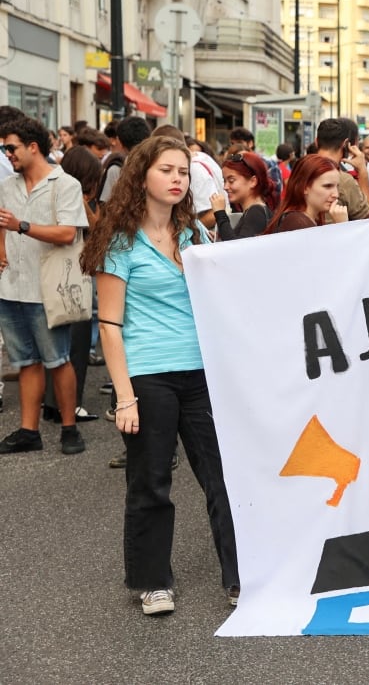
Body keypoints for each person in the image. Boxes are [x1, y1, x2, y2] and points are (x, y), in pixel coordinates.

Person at [79, 135, 239, 615]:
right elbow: (109, 325)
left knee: (224, 477)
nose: (177, 179)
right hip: (149, 375)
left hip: (201, 372)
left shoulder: (193, 234)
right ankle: (152, 582)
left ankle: (242, 576)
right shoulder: (120, 241)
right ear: (141, 175)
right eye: (166, 170)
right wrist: (124, 397)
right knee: (150, 481)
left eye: (183, 172)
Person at [0, 117, 89, 455]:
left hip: (48, 288)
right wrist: (1, 248)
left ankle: (69, 428)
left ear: (32, 146)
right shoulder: (7, 186)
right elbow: (2, 223)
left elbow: (67, 233)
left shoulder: (64, 184)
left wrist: (21, 226)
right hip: (11, 287)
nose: (7, 154)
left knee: (58, 359)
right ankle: (29, 431)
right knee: (26, 361)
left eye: (11, 147)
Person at [42, 147, 104, 424]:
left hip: (52, 275)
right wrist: (84, 201)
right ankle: (71, 405)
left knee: (54, 344)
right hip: (74, 276)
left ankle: (51, 403)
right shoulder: (73, 195)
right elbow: (97, 232)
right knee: (76, 344)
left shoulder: (50, 189)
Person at [264, 155, 349, 233]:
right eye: (327, 186)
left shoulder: (303, 219)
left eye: (337, 186)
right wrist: (342, 228)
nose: (336, 194)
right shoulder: (297, 223)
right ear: (304, 187)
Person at [210, 152, 277, 240]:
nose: (225, 187)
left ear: (253, 181)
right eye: (224, 181)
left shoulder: (256, 211)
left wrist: (220, 213)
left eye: (231, 181)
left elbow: (235, 246)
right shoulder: (253, 211)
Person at [315, 118, 369, 220]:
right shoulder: (344, 180)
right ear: (345, 143)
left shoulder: (301, 170)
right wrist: (362, 170)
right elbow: (366, 214)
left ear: (316, 141)